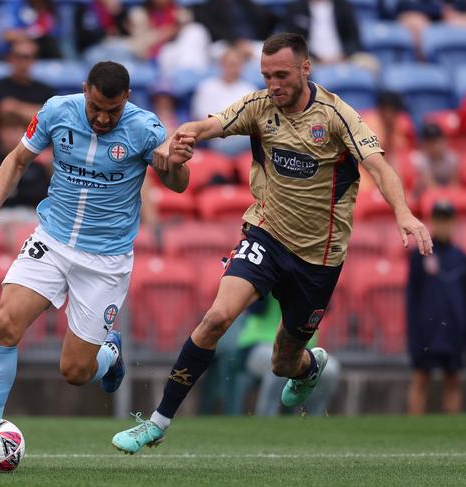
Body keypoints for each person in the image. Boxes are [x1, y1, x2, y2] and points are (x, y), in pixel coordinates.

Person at [111, 32, 432, 454]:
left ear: (305, 69)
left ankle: (308, 368)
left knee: (284, 361)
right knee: (215, 319)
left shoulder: (337, 116)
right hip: (266, 234)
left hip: (319, 259)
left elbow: (378, 165)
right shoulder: (259, 107)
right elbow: (209, 124)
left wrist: (403, 212)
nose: (273, 84)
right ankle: (157, 423)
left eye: (281, 75)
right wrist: (184, 137)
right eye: (266, 75)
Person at [0, 61, 194, 469]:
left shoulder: (145, 129)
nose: (102, 117)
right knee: (6, 323)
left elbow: (179, 185)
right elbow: (17, 159)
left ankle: (109, 357)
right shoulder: (57, 110)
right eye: (95, 106)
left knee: (76, 371)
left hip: (106, 259)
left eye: (112, 110)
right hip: (52, 240)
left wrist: (173, 162)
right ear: (85, 91)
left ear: (126, 99)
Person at [234, 294, 341, 416]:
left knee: (331, 370)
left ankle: (312, 422)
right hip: (258, 343)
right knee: (282, 362)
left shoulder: (312, 277)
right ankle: (266, 421)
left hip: (303, 348)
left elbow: (325, 308)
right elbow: (254, 308)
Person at [407, 200, 466, 415]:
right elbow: (412, 294)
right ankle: (413, 430)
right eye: (439, 220)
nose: (443, 225)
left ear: (453, 223)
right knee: (421, 377)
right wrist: (414, 331)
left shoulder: (460, 257)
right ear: (433, 222)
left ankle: (449, 427)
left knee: (453, 379)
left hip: (454, 329)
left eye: (447, 220)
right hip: (427, 330)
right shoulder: (419, 254)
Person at [0, 112, 51, 223]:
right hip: (1, 215)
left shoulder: (37, 167)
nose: (11, 136)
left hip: (30, 214)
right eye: (7, 131)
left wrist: (13, 192)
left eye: (15, 130)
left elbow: (42, 196)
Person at [191, 47, 256, 154]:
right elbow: (201, 118)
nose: (233, 68)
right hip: (217, 139)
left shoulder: (249, 89)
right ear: (222, 65)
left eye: (236, 64)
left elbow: (253, 121)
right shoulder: (206, 87)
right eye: (230, 64)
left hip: (243, 139)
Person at [0, 38, 55, 128]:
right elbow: (3, 112)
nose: (23, 63)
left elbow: (48, 120)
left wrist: (15, 107)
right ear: (10, 58)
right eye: (18, 57)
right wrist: (35, 112)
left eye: (28, 57)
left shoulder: (45, 90)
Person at [411, 122, 460, 199]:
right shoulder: (419, 159)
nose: (434, 145)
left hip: (447, 195)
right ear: (425, 143)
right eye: (430, 141)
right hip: (426, 197)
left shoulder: (451, 158)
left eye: (436, 140)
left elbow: (454, 186)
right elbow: (431, 187)